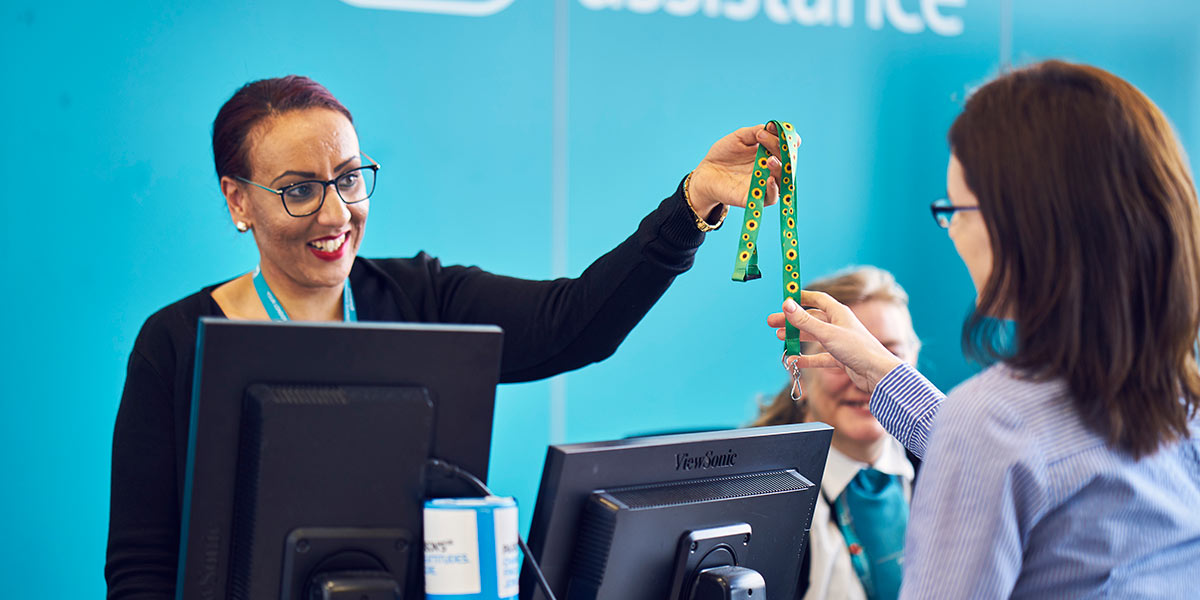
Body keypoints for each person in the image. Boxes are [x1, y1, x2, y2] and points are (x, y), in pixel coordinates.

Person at [105, 75, 787, 598]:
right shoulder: (176, 342)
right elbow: (142, 563)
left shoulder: (422, 298)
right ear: (237, 199)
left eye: (348, 178)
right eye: (299, 190)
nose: (335, 212)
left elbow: (577, 323)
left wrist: (692, 202)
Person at [771, 60, 1200, 597]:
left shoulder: (991, 426)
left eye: (957, 210)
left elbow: (1000, 446)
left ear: (1022, 225)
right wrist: (881, 372)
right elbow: (1023, 451)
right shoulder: (1182, 406)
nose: (951, 233)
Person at [752, 266, 920, 600]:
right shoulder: (757, 496)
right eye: (841, 358)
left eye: (889, 357)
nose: (865, 378)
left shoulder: (952, 464)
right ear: (796, 367)